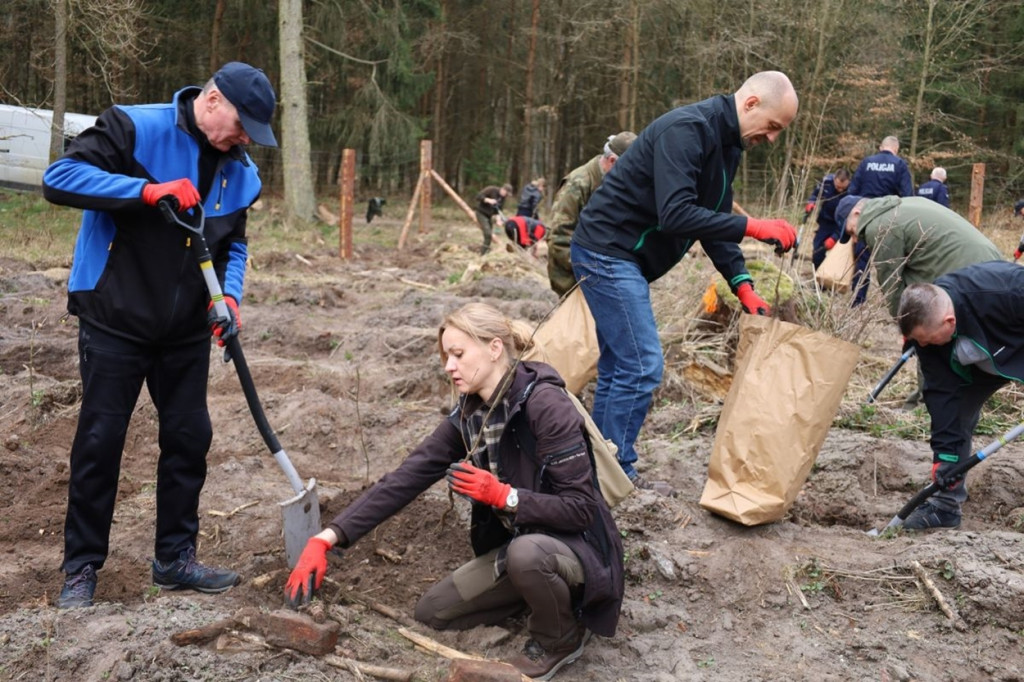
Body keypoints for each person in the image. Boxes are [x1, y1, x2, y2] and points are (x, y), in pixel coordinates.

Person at [41, 62, 278, 609]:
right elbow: (60, 179)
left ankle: (174, 559)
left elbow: (232, 245)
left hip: (185, 331)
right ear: (212, 100)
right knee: (100, 444)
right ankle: (81, 569)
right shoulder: (134, 127)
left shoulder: (240, 173)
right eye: (242, 126)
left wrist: (229, 297)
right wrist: (147, 192)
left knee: (189, 440)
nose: (244, 141)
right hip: (114, 318)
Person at [284, 302, 624, 680]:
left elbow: (581, 509)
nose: (449, 366)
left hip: (579, 547)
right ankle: (543, 596)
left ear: (495, 348)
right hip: (524, 546)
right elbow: (405, 478)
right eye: (447, 356)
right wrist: (327, 538)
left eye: (459, 354)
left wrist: (506, 497)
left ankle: (559, 638)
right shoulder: (470, 415)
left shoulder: (546, 405)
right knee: (433, 611)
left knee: (528, 554)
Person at [569, 71, 799, 492]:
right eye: (772, 127)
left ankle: (596, 468)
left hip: (625, 258)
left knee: (622, 364)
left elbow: (713, 219)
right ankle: (613, 472)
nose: (771, 139)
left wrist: (742, 284)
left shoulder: (728, 146)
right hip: (606, 251)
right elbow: (676, 214)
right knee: (641, 365)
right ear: (750, 104)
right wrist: (754, 226)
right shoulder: (686, 130)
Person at [835, 194, 1002, 407]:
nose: (856, 239)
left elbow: (892, 284)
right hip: (988, 265)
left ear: (857, 213)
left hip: (968, 273)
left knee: (930, 333)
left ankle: (931, 401)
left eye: (852, 232)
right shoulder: (904, 205)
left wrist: (908, 328)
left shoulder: (880, 225)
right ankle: (936, 396)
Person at [896, 261, 1024, 530]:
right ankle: (945, 507)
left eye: (928, 340)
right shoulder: (928, 341)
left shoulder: (1007, 291)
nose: (923, 347)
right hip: (982, 363)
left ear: (949, 322)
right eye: (919, 341)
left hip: (1012, 339)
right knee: (958, 411)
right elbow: (943, 398)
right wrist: (946, 460)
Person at [547, 131, 637, 296]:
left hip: (603, 277)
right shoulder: (578, 183)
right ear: (612, 161)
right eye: (628, 168)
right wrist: (592, 270)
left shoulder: (616, 184)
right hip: (573, 279)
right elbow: (558, 238)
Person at [847, 136, 914, 306]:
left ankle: (858, 300)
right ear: (896, 149)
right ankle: (895, 302)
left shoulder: (866, 162)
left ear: (880, 146)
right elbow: (908, 196)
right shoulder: (899, 165)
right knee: (891, 261)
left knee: (862, 259)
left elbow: (852, 191)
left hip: (864, 215)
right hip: (888, 217)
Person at [804, 168, 851, 270]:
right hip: (825, 221)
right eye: (838, 187)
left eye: (843, 188)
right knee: (817, 252)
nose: (840, 190)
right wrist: (811, 202)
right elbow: (815, 194)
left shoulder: (853, 190)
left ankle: (833, 279)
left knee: (839, 257)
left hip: (842, 225)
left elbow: (849, 218)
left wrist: (835, 237)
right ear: (834, 179)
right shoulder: (826, 182)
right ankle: (819, 278)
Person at [474, 183, 513, 255]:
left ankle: (484, 252)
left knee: (489, 235)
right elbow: (478, 196)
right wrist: (488, 200)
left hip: (489, 216)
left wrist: (499, 220)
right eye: (506, 193)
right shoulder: (492, 189)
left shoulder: (502, 198)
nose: (506, 195)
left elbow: (498, 210)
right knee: (487, 233)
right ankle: (482, 253)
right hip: (481, 213)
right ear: (503, 189)